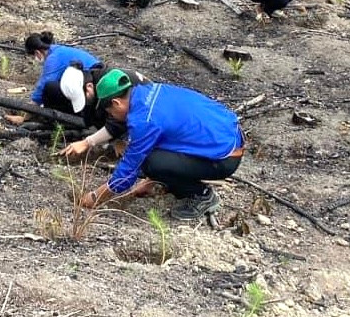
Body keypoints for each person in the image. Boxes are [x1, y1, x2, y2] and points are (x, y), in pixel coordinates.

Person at [79, 70, 245, 220]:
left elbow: (128, 170)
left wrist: (96, 196)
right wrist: (152, 180)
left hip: (224, 157)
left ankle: (203, 196)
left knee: (150, 163)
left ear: (116, 103)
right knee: (151, 156)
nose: (113, 117)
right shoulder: (151, 90)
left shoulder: (143, 120)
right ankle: (168, 180)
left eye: (110, 113)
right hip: (230, 132)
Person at [4, 32, 102, 125]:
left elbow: (41, 89)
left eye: (33, 56)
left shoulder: (53, 59)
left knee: (49, 89)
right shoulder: (57, 50)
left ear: (37, 53)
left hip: (90, 82)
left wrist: (25, 117)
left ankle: (57, 119)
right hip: (94, 75)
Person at [56, 65, 148, 157]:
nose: (85, 103)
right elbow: (91, 118)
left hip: (146, 114)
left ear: (89, 87)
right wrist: (115, 140)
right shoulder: (92, 81)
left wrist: (85, 143)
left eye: (83, 98)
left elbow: (117, 122)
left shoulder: (109, 83)